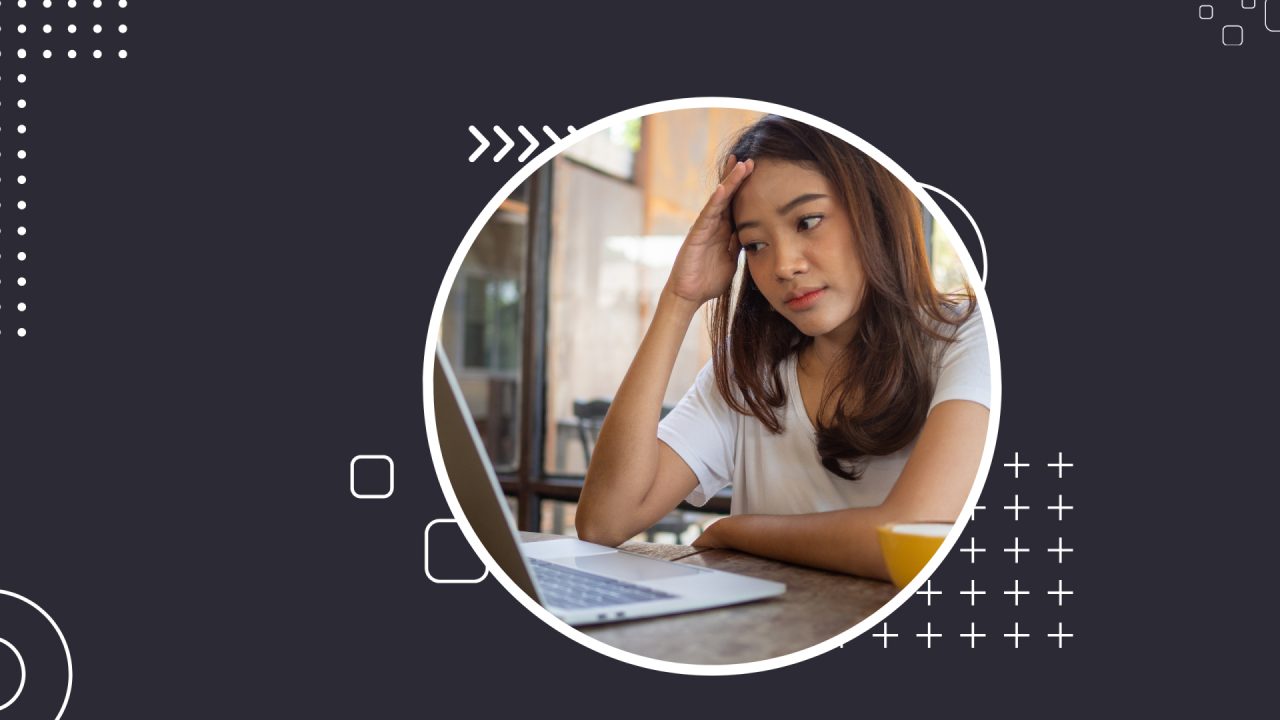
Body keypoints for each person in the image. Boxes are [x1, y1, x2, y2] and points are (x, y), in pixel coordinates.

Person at [575, 115, 990, 581]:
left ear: (875, 211)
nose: (784, 265)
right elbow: (604, 522)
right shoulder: (747, 372)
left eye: (808, 221)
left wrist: (738, 530)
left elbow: (912, 534)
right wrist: (679, 300)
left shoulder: (971, 337)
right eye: (755, 244)